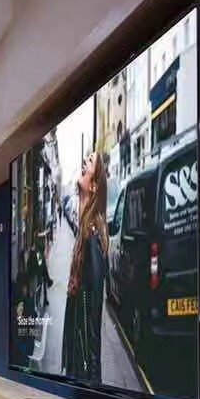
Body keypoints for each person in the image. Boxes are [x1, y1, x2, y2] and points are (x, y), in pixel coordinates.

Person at [62, 150, 109, 382]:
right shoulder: (84, 229)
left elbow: (94, 316)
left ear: (93, 186)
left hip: (82, 370)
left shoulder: (93, 237)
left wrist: (93, 382)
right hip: (76, 357)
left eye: (90, 161)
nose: (84, 161)